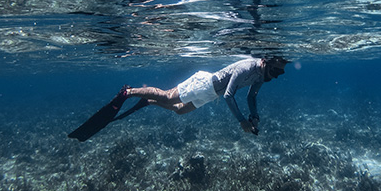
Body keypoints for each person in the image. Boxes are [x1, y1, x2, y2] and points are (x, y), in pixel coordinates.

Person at [68, 57, 288, 142]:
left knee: (179, 111)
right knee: (168, 96)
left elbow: (252, 96)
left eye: (280, 75)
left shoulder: (261, 75)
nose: (276, 77)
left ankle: (148, 101)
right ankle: (129, 92)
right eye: (277, 71)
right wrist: (241, 120)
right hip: (205, 84)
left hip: (212, 94)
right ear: (269, 61)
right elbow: (230, 95)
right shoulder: (247, 66)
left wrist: (254, 116)